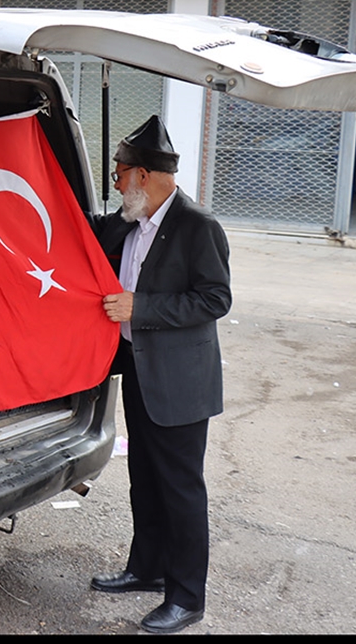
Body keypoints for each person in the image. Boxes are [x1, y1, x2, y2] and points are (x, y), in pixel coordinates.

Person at [85, 115, 232, 634]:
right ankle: (146, 569)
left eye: (119, 173)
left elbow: (215, 299)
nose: (115, 184)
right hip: (140, 371)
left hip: (180, 383)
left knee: (181, 489)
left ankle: (187, 597)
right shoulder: (130, 218)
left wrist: (140, 307)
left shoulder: (198, 226)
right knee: (145, 479)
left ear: (143, 175)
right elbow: (86, 231)